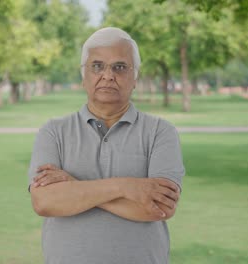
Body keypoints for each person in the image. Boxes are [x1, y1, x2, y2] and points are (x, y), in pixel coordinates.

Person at [28, 27, 185, 264]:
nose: (108, 75)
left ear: (135, 78)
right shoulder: (53, 132)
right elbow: (45, 201)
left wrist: (73, 186)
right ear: (84, 77)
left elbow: (160, 208)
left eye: (120, 67)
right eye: (97, 66)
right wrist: (126, 187)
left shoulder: (161, 132)